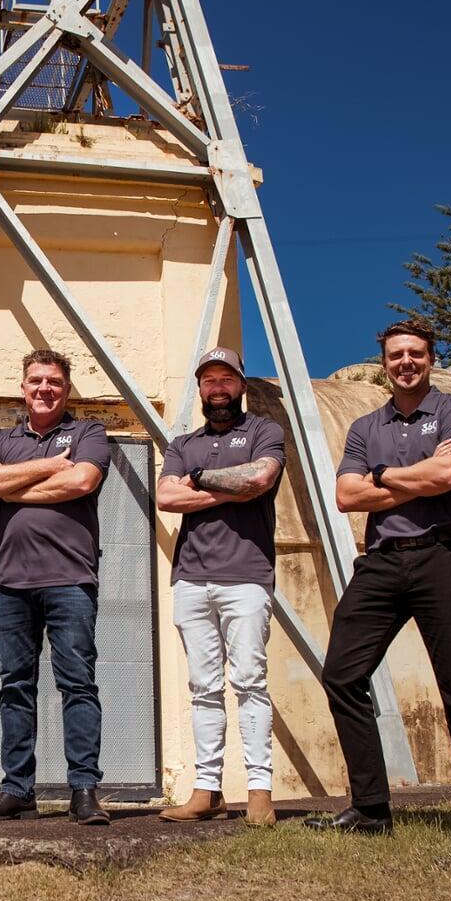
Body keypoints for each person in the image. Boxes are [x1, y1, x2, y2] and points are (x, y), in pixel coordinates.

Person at [308, 317, 451, 869]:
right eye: (396, 355)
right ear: (385, 363)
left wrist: (384, 477)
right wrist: (415, 473)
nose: (406, 362)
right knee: (342, 674)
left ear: (430, 358)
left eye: (415, 353)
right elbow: (346, 495)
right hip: (383, 564)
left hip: (444, 558)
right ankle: (370, 809)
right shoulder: (367, 426)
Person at [0, 349, 112, 825]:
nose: (44, 388)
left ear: (66, 389)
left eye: (53, 381)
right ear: (23, 387)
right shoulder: (0, 437)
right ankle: (17, 790)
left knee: (77, 685)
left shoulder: (88, 433)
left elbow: (82, 481)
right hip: (9, 583)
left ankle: (85, 791)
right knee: (15, 686)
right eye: (35, 381)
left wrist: (8, 485)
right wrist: (49, 466)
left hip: (70, 579)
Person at [155, 347, 286, 826]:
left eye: (226, 378)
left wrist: (199, 482)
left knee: (250, 683)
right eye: (209, 380)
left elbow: (259, 477)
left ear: (241, 385)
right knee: (203, 688)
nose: (217, 388)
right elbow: (166, 496)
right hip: (191, 577)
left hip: (246, 576)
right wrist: (225, 487)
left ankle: (258, 791)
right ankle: (206, 790)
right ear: (200, 389)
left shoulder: (263, 432)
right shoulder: (183, 441)